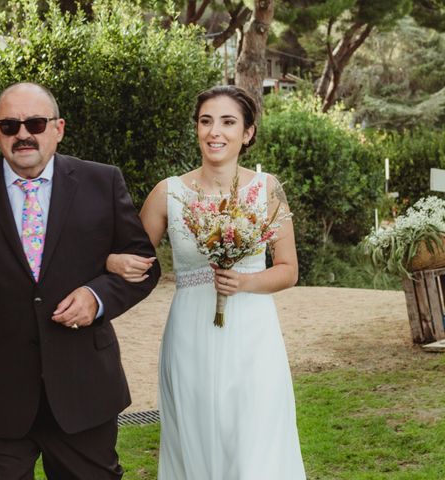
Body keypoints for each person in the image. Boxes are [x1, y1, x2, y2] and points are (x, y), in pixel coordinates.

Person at [0, 82, 160, 480]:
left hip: (84, 388)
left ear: (58, 128)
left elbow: (144, 266)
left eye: (35, 122)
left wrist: (96, 297)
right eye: (10, 125)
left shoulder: (102, 182)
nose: (23, 134)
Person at [107, 85, 306, 479]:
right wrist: (112, 260)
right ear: (197, 128)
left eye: (228, 122)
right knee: (195, 438)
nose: (215, 131)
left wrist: (244, 283)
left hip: (253, 333)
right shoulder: (169, 193)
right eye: (206, 121)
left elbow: (288, 269)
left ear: (247, 133)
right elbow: (135, 257)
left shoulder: (268, 189)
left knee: (255, 439)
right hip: (190, 332)